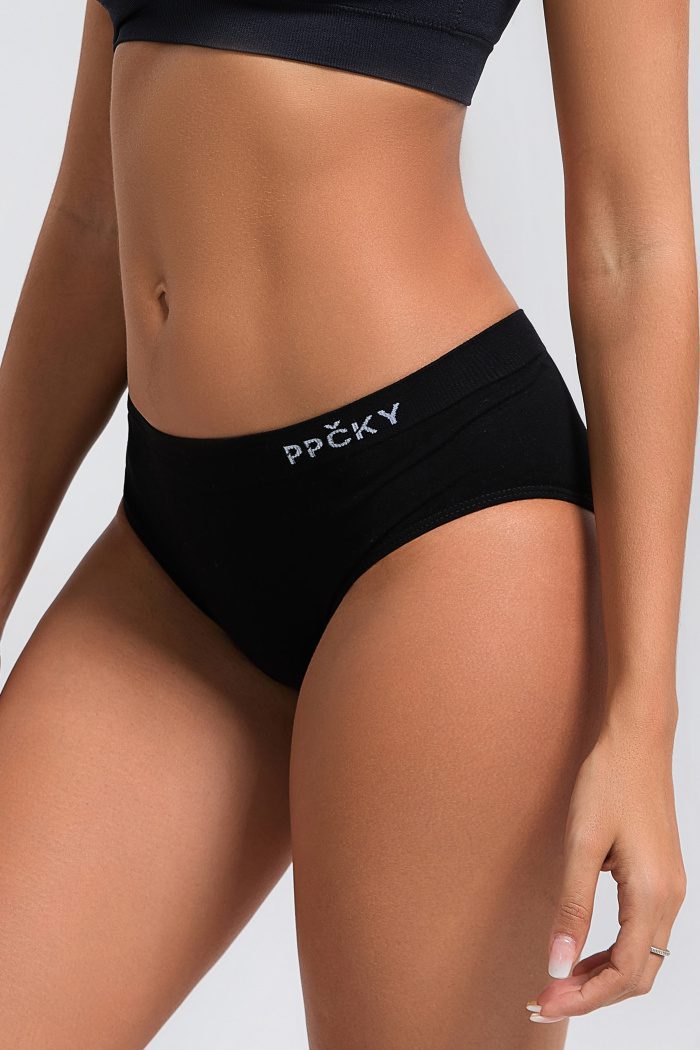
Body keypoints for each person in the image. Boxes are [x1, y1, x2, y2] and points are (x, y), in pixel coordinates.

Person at [0, 1, 696, 1046]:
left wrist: (643, 722)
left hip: (445, 528)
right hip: (173, 556)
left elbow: (630, 246)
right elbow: (91, 224)